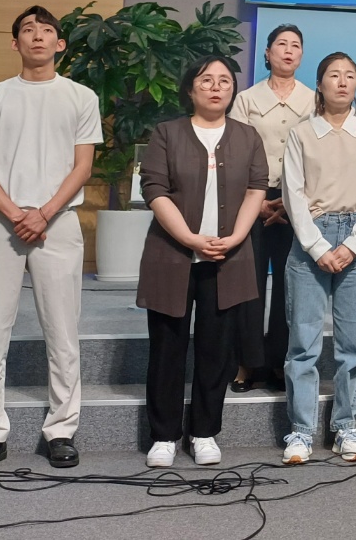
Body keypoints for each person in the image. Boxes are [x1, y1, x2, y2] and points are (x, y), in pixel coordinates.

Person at [0, 6, 101, 471]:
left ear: (60, 44)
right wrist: (18, 214)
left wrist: (44, 213)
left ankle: (61, 431)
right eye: (27, 30)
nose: (36, 36)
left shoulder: (81, 97)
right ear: (14, 42)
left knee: (63, 333)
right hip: (1, 224)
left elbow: (83, 167)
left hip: (57, 222)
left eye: (46, 30)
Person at [138, 57, 269, 468]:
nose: (216, 87)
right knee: (167, 349)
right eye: (206, 80)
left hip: (228, 258)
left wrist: (236, 237)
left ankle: (204, 432)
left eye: (224, 81)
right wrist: (190, 238)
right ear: (190, 89)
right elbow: (154, 189)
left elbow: (256, 189)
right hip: (172, 256)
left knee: (217, 351)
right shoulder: (167, 133)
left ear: (233, 90)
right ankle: (164, 435)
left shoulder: (247, 136)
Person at [281, 52, 356, 465]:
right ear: (320, 84)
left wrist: (354, 244)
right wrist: (317, 246)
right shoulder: (302, 134)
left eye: (349, 76)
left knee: (354, 345)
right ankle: (300, 430)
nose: (342, 82)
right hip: (312, 236)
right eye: (333, 75)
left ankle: (346, 426)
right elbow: (293, 194)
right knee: (303, 343)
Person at [228, 23, 314, 393]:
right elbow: (235, 151)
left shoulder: (313, 101)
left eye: (296, 45)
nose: (289, 50)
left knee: (288, 285)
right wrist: (257, 199)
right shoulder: (247, 99)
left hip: (296, 201)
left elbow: (317, 155)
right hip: (251, 197)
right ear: (267, 53)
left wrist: (291, 202)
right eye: (281, 44)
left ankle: (279, 360)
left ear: (301, 55)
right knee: (248, 283)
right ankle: (247, 363)